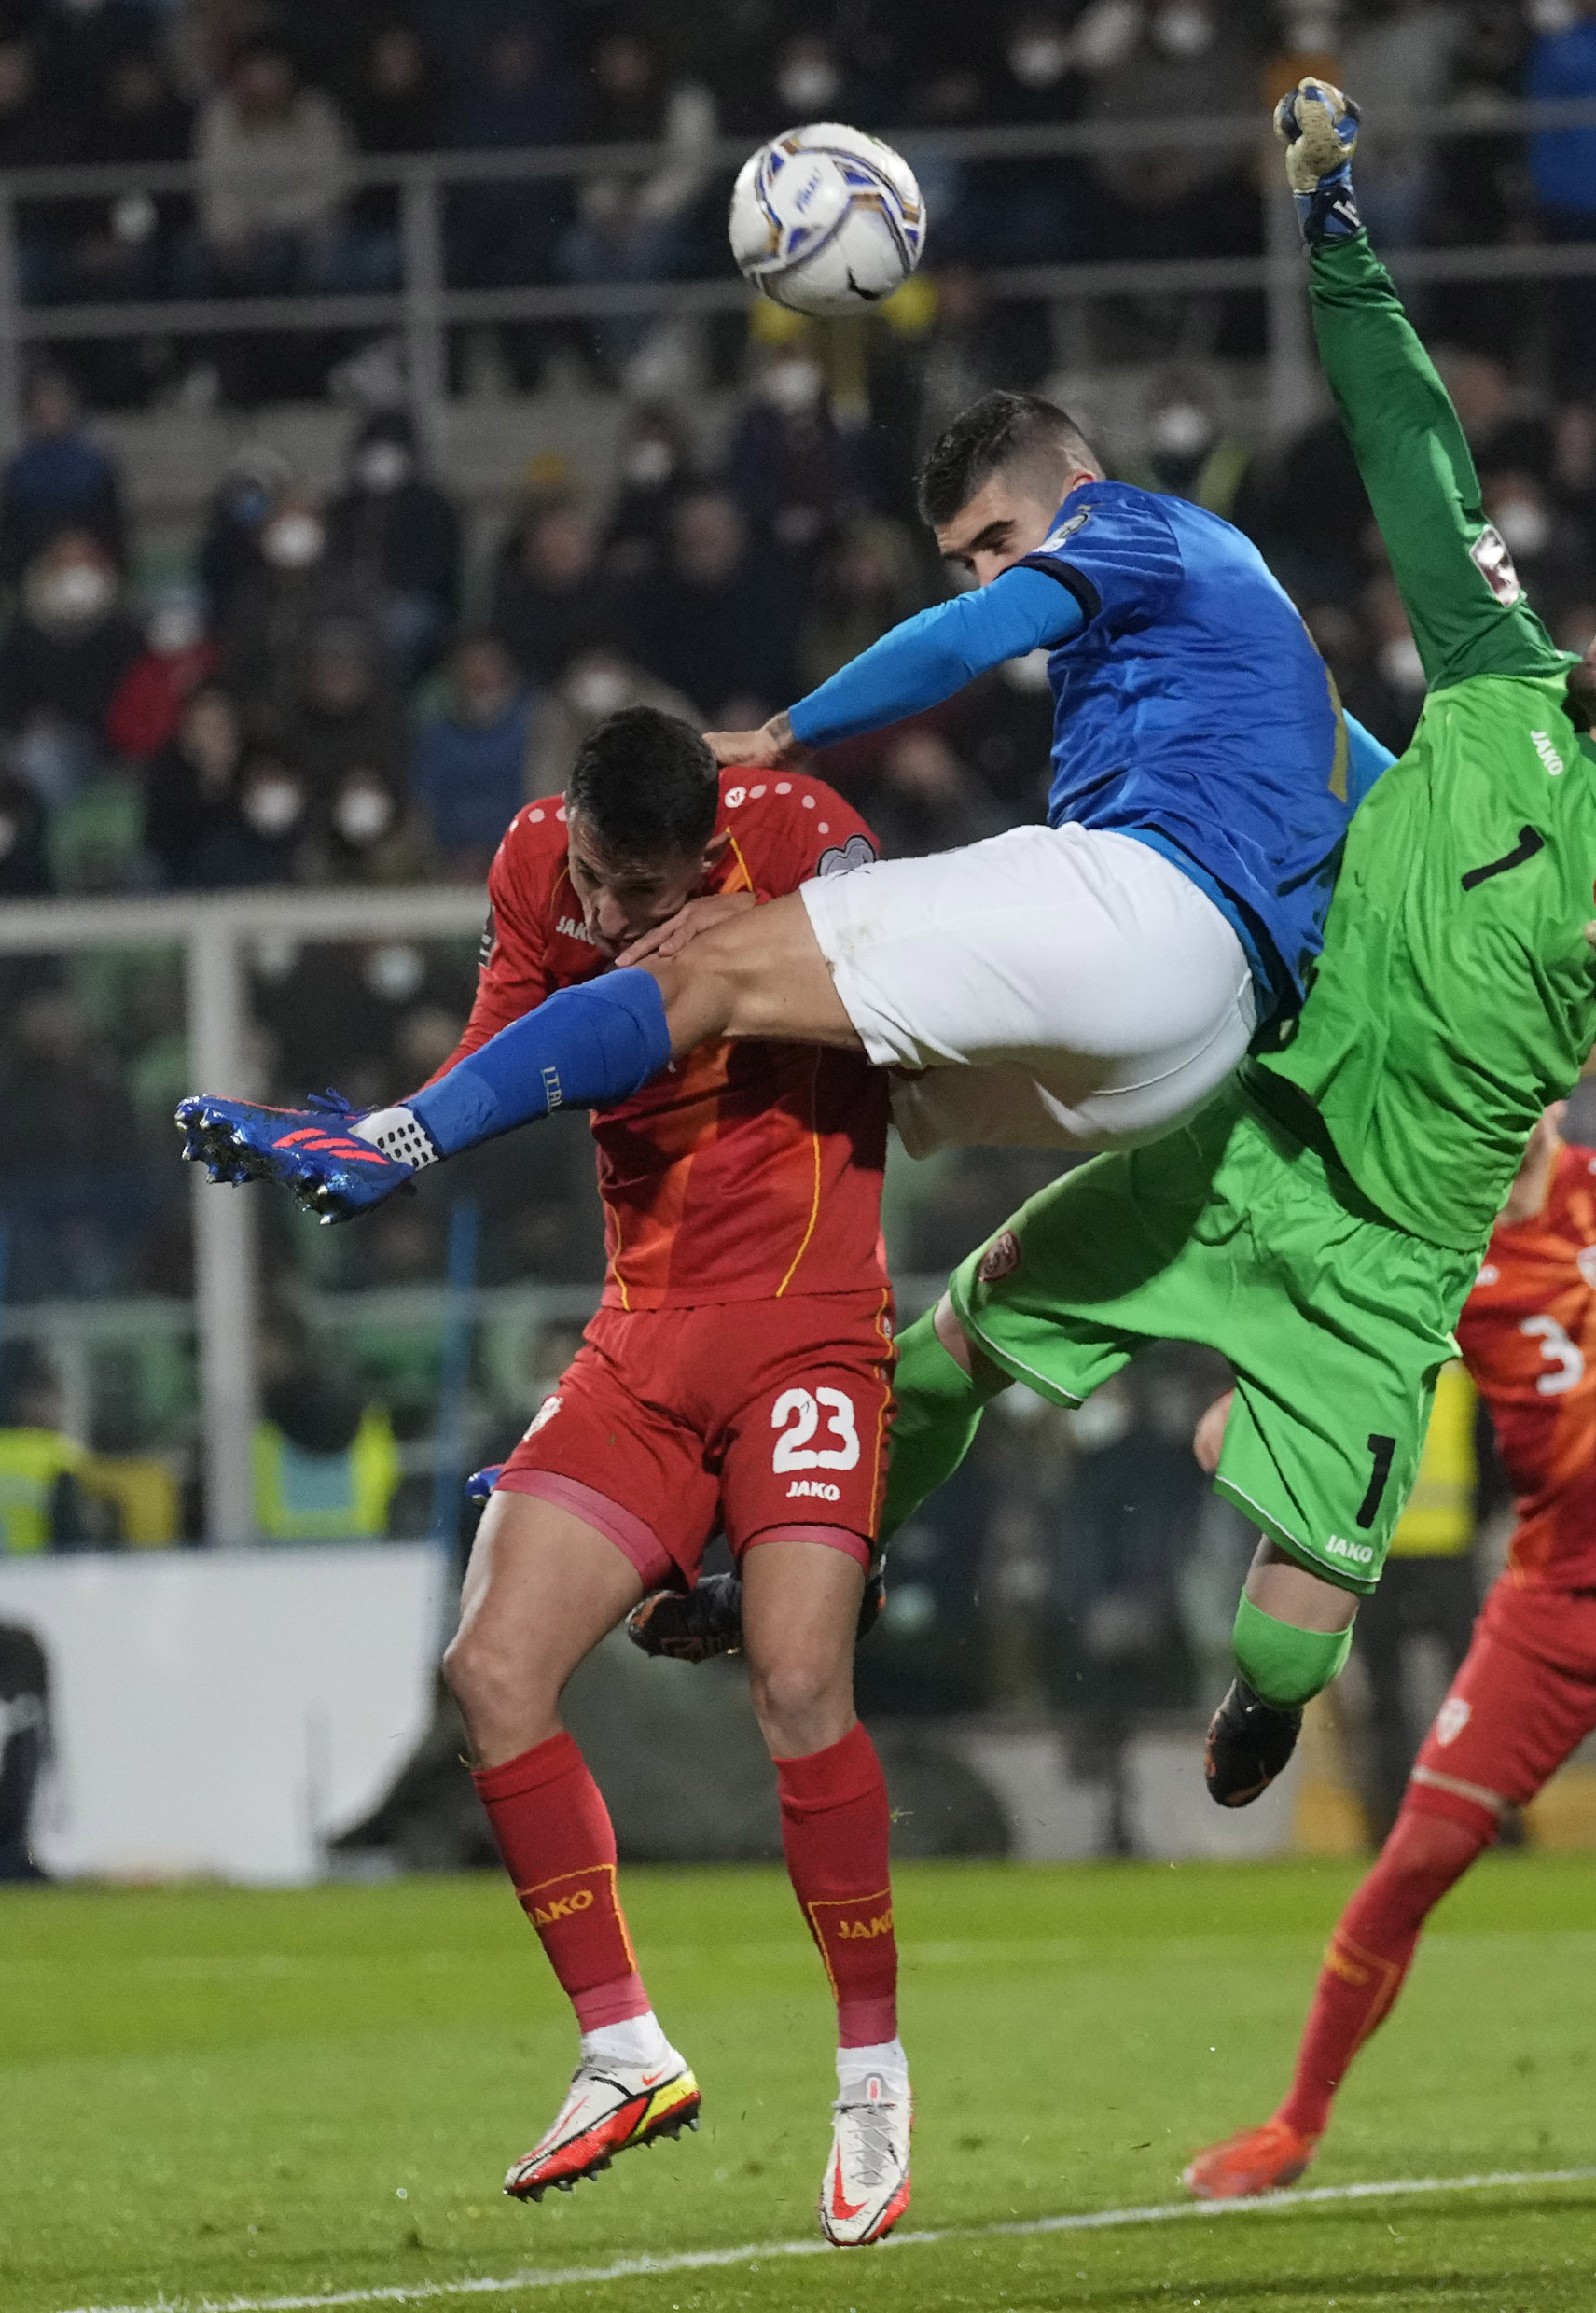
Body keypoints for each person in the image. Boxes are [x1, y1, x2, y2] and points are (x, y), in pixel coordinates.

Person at [642, 82, 1596, 1804]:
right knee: (946, 1352)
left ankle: (1275, 1696)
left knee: (1288, 1638)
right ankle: (802, 1564)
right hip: (1239, 1133)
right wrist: (1333, 222)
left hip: (1399, 1245)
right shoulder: (1498, 674)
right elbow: (1409, 441)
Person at [173, 384, 1386, 1215]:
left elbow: (981, 630)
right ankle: (700, 1422)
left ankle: (389, 1141)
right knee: (800, 1066)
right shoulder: (1251, 652)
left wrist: (782, 730)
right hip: (1190, 1054)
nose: (989, 569)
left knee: (704, 958)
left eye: (1001, 534)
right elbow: (1387, 786)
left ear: (1075, 482)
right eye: (965, 553)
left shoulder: (1135, 527)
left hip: (1150, 918)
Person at [1180, 1105, 1596, 2204]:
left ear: (1550, 1092)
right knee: (1411, 1863)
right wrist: (1248, 1407)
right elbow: (1335, 1355)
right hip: (1548, 1610)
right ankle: (1291, 2123)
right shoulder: (1437, 1243)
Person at [426, 709, 914, 2245]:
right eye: (593, 881)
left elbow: (920, 966)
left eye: (644, 897)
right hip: (640, 1344)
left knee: (793, 1685)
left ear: (707, 857)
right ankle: (623, 2047)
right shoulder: (535, 867)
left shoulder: (806, 842)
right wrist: (389, 1139)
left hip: (809, 1331)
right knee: (492, 1668)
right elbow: (504, 1048)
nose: (614, 922)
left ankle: (871, 2071)